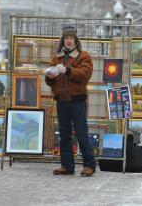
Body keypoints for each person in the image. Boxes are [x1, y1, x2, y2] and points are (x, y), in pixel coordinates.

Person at [45, 25, 96, 177]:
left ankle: (89, 165)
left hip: (77, 101)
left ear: (76, 40)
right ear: (63, 40)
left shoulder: (83, 56)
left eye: (71, 38)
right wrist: (49, 77)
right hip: (61, 101)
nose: (68, 41)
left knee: (81, 133)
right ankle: (67, 165)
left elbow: (85, 74)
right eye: (66, 38)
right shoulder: (56, 58)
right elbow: (50, 82)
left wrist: (67, 70)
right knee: (64, 134)